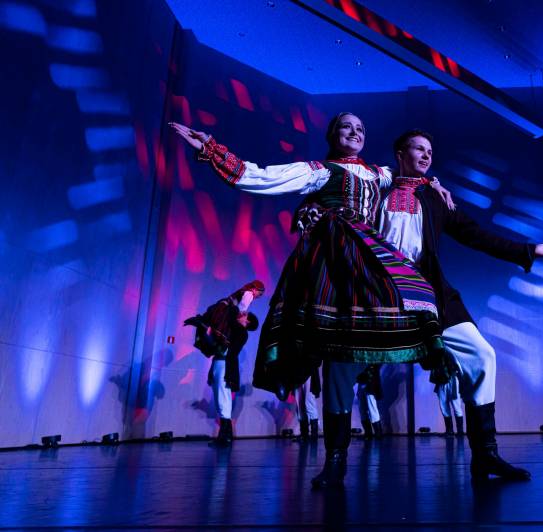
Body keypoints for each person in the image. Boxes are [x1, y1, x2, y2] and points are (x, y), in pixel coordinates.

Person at [171, 114, 455, 488]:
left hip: (367, 260)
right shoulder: (319, 171)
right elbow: (262, 177)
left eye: (361, 128)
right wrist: (212, 150)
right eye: (346, 127)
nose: (355, 132)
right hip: (332, 259)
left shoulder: (379, 174)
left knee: (409, 297)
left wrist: (436, 188)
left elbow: (410, 177)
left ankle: (397, 359)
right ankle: (333, 454)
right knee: (330, 353)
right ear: (332, 135)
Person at [378, 130, 543, 479]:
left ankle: (486, 455)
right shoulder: (375, 189)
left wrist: (528, 250)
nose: (426, 155)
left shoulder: (435, 198)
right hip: (378, 289)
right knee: (343, 367)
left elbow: (475, 235)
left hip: (426, 290)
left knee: (482, 355)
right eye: (419, 148)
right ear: (400, 152)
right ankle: (334, 462)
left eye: (430, 150)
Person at [184, 281, 264, 445]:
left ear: (247, 322)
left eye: (245, 315)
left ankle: (225, 435)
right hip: (219, 363)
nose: (242, 314)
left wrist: (231, 308)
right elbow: (217, 337)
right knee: (219, 397)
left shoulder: (241, 332)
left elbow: (230, 322)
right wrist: (203, 324)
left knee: (223, 398)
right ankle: (225, 434)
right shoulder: (234, 329)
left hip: (225, 366)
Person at [293, 368, 321, 440]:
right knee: (299, 404)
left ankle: (314, 434)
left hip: (308, 372)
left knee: (309, 403)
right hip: (297, 374)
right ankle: (304, 434)